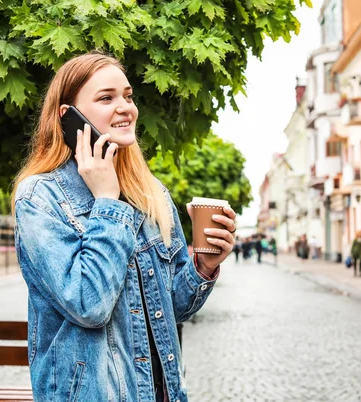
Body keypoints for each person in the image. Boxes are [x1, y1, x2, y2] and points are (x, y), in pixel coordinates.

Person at [12, 52, 236, 402]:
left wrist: (204, 266)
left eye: (128, 96)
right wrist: (107, 202)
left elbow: (171, 309)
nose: (125, 107)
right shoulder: (40, 198)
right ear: (68, 116)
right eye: (106, 98)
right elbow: (89, 305)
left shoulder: (150, 191)